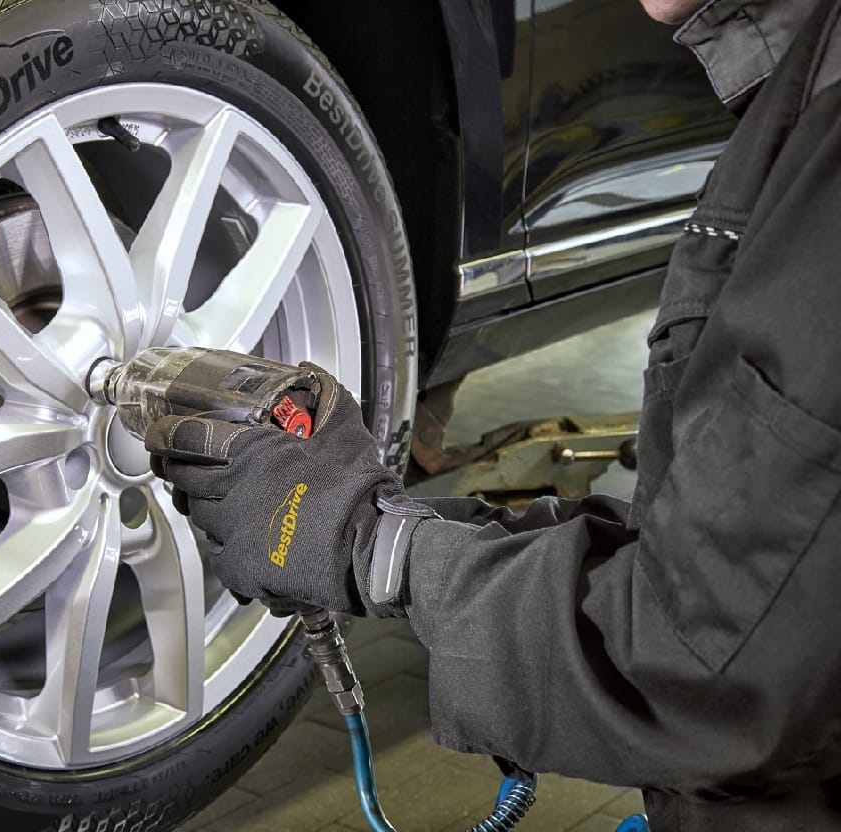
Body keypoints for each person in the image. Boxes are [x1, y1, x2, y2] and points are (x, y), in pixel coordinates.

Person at [143, 1, 841, 829]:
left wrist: (372, 548)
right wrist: (414, 529)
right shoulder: (800, 95)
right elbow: (760, 560)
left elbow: (703, 668)